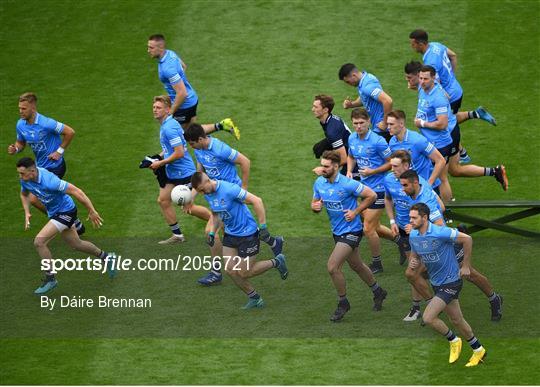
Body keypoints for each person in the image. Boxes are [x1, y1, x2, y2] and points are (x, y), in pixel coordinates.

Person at [184, 123, 284, 285]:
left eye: (192, 143)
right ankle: (273, 242)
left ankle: (216, 271)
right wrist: (192, 196)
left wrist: (243, 188)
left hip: (231, 194)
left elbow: (245, 161)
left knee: (212, 231)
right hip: (216, 195)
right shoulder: (199, 150)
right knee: (231, 227)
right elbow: (200, 174)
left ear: (201, 139)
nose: (191, 147)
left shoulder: (220, 149)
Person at [400, 170, 504, 322]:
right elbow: (441, 206)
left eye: (405, 185)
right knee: (412, 273)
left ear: (415, 183)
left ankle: (494, 298)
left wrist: (418, 230)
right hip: (429, 244)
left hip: (445, 246)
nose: (402, 189)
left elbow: (440, 225)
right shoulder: (419, 191)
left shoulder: (425, 200)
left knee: (470, 274)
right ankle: (432, 303)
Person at [16, 157, 115, 294]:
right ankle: (107, 257)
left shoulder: (50, 181)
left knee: (39, 242)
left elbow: (77, 191)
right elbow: (24, 194)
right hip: (55, 212)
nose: (20, 176)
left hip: (66, 211)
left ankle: (50, 278)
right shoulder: (26, 180)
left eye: (22, 173)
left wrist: (92, 211)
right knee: (76, 244)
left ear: (32, 171)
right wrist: (27, 212)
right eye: (19, 173)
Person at [191, 172, 288, 309]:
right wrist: (213, 232)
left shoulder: (229, 189)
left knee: (244, 272)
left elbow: (257, 200)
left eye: (202, 189)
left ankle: (277, 262)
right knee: (230, 270)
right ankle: (255, 298)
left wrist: (263, 226)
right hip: (230, 235)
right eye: (199, 191)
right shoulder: (208, 194)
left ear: (207, 180)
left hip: (248, 234)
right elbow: (216, 214)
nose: (202, 193)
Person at [312, 150, 388, 322]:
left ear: (336, 167)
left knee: (332, 266)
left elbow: (372, 195)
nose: (321, 169)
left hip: (352, 231)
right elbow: (315, 202)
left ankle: (343, 303)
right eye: (321, 165)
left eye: (326, 166)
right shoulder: (319, 183)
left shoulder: (348, 184)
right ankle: (378, 291)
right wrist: (315, 207)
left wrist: (355, 212)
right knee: (357, 265)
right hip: (336, 232)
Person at [409, 203, 487, 367]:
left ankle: (453, 340)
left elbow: (467, 239)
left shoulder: (440, 232)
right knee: (457, 320)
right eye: (410, 217)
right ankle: (478, 349)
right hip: (436, 282)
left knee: (428, 317)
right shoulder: (414, 235)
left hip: (451, 281)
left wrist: (465, 266)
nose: (411, 220)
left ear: (424, 217)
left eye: (414, 217)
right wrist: (413, 261)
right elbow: (415, 253)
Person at [415, 66, 507, 202]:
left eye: (425, 79)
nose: (421, 82)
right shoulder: (425, 89)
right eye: (420, 78)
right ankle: (495, 171)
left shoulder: (437, 97)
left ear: (433, 79)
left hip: (445, 138)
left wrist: (421, 123)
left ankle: (447, 212)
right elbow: (446, 96)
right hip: (448, 134)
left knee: (442, 178)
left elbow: (442, 124)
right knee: (455, 170)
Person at [409, 29, 495, 163]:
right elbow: (453, 55)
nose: (411, 46)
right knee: (450, 119)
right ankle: (476, 114)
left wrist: (442, 93)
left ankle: (461, 153)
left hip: (451, 95)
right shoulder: (436, 45)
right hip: (456, 89)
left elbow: (434, 84)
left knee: (446, 123)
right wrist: (451, 77)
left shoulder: (429, 60)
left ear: (420, 43)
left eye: (412, 44)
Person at [8, 92, 85, 234]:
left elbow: (70, 132)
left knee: (36, 197)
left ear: (33, 107)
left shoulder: (47, 123)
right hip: (38, 168)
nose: (20, 111)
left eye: (24, 108)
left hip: (55, 166)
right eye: (19, 108)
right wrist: (16, 149)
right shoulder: (20, 125)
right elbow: (21, 142)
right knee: (40, 198)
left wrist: (59, 152)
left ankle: (69, 219)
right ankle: (67, 218)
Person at [148, 95, 217, 248]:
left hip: (184, 172)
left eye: (158, 108)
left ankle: (217, 220)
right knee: (163, 200)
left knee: (189, 208)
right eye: (154, 107)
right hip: (172, 172)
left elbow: (179, 152)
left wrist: (161, 163)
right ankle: (177, 235)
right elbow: (170, 149)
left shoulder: (169, 128)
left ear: (167, 110)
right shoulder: (167, 124)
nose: (155, 110)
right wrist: (155, 158)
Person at [147, 34, 240, 139]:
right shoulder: (170, 54)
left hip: (184, 104)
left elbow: (182, 93)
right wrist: (178, 84)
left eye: (151, 47)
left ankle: (218, 136)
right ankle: (223, 125)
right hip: (192, 99)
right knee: (193, 132)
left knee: (178, 137)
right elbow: (183, 66)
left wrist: (170, 112)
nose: (148, 50)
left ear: (160, 47)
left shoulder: (167, 69)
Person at [346, 108, 393, 274]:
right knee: (376, 226)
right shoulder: (352, 138)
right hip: (364, 189)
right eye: (355, 124)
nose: (358, 126)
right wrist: (349, 171)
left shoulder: (378, 141)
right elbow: (351, 156)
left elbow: (391, 163)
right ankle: (401, 241)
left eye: (361, 123)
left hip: (380, 188)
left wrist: (373, 171)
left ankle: (377, 263)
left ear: (369, 123)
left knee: (368, 228)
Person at [387, 109, 445, 192]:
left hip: (425, 188)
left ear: (401, 124)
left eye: (391, 124)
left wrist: (429, 184)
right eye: (388, 124)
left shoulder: (417, 140)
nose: (388, 127)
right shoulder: (392, 142)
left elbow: (440, 160)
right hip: (409, 188)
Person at [338, 63, 393, 142]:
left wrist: (385, 122)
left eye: (348, 82)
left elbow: (388, 101)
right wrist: (352, 104)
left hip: (382, 129)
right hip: (378, 127)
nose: (348, 84)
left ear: (354, 75)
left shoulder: (367, 86)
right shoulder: (365, 79)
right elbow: (365, 98)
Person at [311, 94, 357, 177]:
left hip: (354, 162)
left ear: (325, 110)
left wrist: (324, 169)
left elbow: (344, 159)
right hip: (350, 151)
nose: (312, 109)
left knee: (336, 184)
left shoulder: (332, 131)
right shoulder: (330, 119)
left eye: (316, 107)